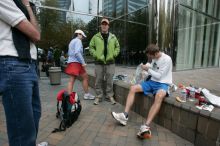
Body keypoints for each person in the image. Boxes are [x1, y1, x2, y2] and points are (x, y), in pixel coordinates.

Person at [0, 0, 48, 146]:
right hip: (13, 63)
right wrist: (27, 5)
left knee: (34, 116)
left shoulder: (24, 4)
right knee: (22, 128)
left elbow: (36, 32)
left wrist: (27, 6)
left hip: (28, 63)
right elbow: (35, 35)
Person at [111, 44, 172, 139]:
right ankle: (125, 116)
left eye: (150, 56)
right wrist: (146, 68)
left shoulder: (167, 59)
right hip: (152, 81)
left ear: (156, 53)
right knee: (133, 88)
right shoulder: (154, 58)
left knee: (159, 96)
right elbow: (152, 68)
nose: (150, 58)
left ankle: (146, 126)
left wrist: (148, 69)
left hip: (162, 83)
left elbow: (159, 76)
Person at [89, 18, 120, 105]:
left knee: (110, 80)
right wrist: (96, 55)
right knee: (98, 79)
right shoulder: (96, 37)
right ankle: (99, 96)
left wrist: (114, 54)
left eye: (106, 24)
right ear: (100, 26)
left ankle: (109, 96)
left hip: (110, 62)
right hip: (99, 62)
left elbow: (118, 47)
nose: (104, 26)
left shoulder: (113, 37)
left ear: (108, 26)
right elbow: (91, 47)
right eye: (103, 24)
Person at [65, 29, 95, 100]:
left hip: (72, 62)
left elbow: (70, 53)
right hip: (76, 62)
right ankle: (85, 95)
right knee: (84, 77)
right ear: (78, 34)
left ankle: (70, 97)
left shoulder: (72, 41)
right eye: (82, 36)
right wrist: (83, 62)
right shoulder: (78, 41)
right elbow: (77, 53)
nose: (83, 38)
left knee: (73, 79)